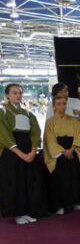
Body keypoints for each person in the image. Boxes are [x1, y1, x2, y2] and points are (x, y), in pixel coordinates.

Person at [0, 83, 47, 224]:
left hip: (28, 148)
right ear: (7, 95)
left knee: (29, 180)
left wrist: (33, 151)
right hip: (11, 150)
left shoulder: (28, 113)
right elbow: (4, 135)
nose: (18, 95)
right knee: (14, 182)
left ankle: (27, 211)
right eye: (14, 93)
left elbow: (35, 132)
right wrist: (20, 154)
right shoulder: (2, 113)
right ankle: (17, 213)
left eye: (20, 93)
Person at [48, 82, 80, 207]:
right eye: (61, 92)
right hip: (62, 141)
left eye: (66, 91)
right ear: (56, 94)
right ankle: (67, 202)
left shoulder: (76, 102)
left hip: (79, 138)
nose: (65, 94)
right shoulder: (52, 106)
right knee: (66, 172)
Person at [43, 96, 80, 215]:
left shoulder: (74, 121)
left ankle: (77, 203)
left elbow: (79, 135)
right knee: (59, 179)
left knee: (76, 177)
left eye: (63, 104)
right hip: (59, 153)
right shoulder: (50, 122)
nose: (62, 106)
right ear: (54, 106)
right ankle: (60, 205)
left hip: (73, 150)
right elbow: (50, 139)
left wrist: (72, 149)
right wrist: (63, 151)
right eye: (58, 104)